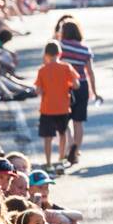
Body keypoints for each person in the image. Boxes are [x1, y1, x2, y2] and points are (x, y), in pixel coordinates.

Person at [33, 41, 80, 172]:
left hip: (47, 108)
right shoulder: (66, 67)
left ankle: (48, 163)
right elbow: (76, 85)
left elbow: (38, 90)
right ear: (60, 53)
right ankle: (60, 160)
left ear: (46, 55)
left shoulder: (42, 70)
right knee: (62, 134)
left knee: (48, 137)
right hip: (63, 107)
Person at [57, 20, 99, 165]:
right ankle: (76, 149)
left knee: (64, 119)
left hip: (64, 86)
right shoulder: (85, 49)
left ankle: (69, 145)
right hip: (82, 85)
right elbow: (90, 72)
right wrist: (95, 91)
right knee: (78, 121)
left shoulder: (60, 46)